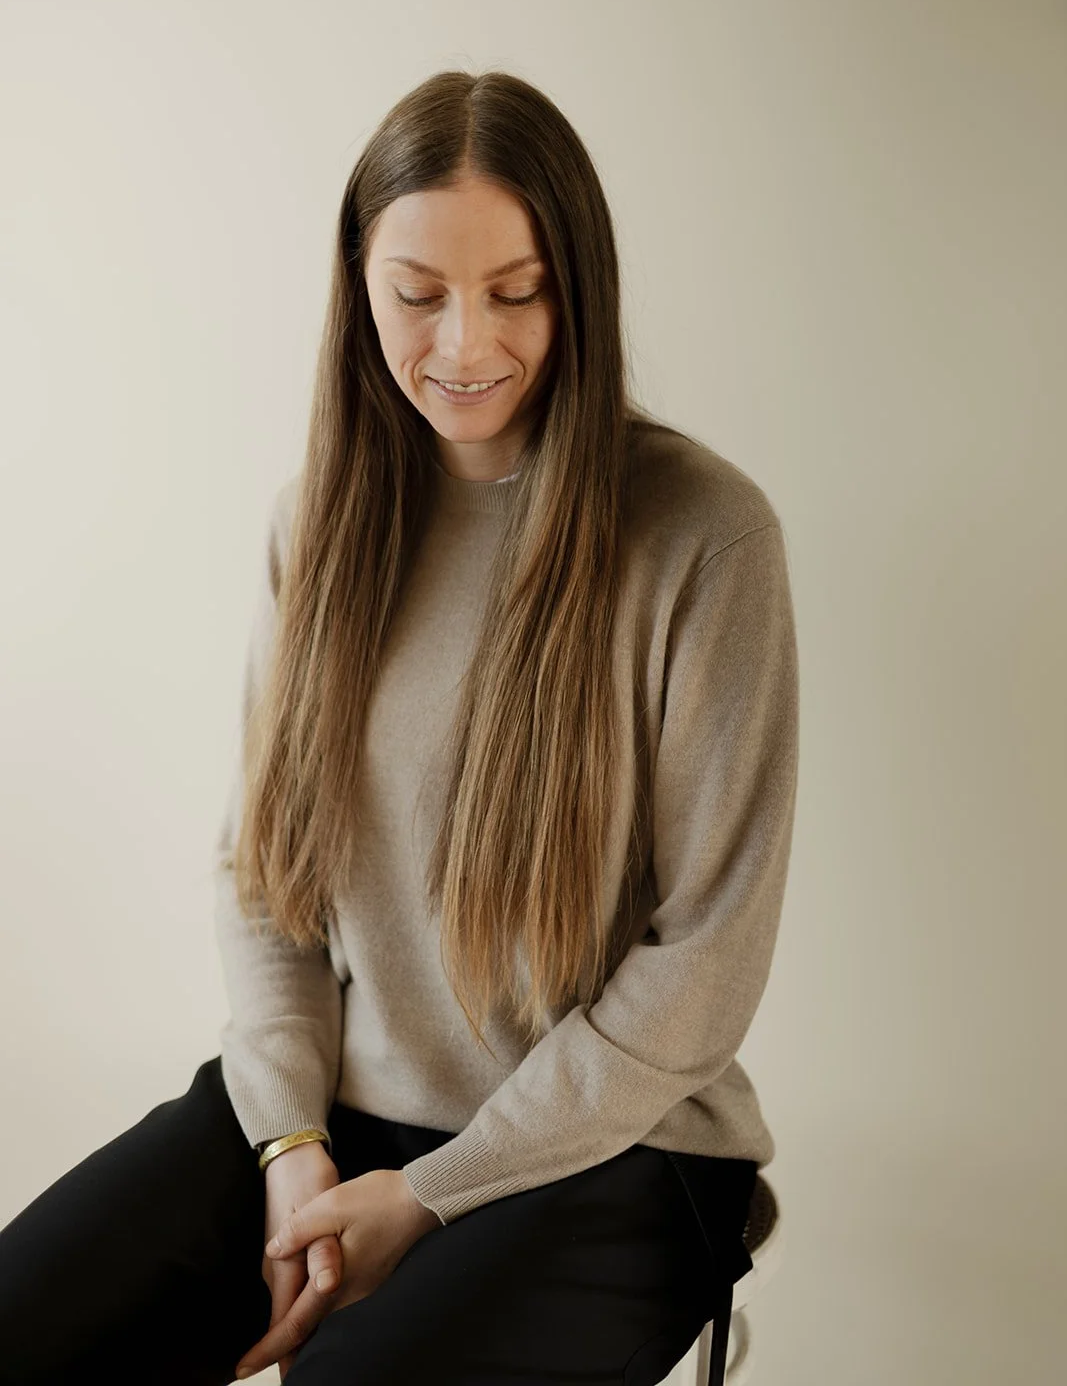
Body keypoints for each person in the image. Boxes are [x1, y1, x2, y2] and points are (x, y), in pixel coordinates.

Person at [0, 69, 799, 1386]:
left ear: (579, 289)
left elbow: (702, 967)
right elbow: (268, 881)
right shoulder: (315, 523)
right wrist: (289, 1144)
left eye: (517, 292)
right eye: (419, 294)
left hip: (621, 1152)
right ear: (358, 286)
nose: (465, 343)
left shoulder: (704, 537)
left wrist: (431, 1196)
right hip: (335, 1117)